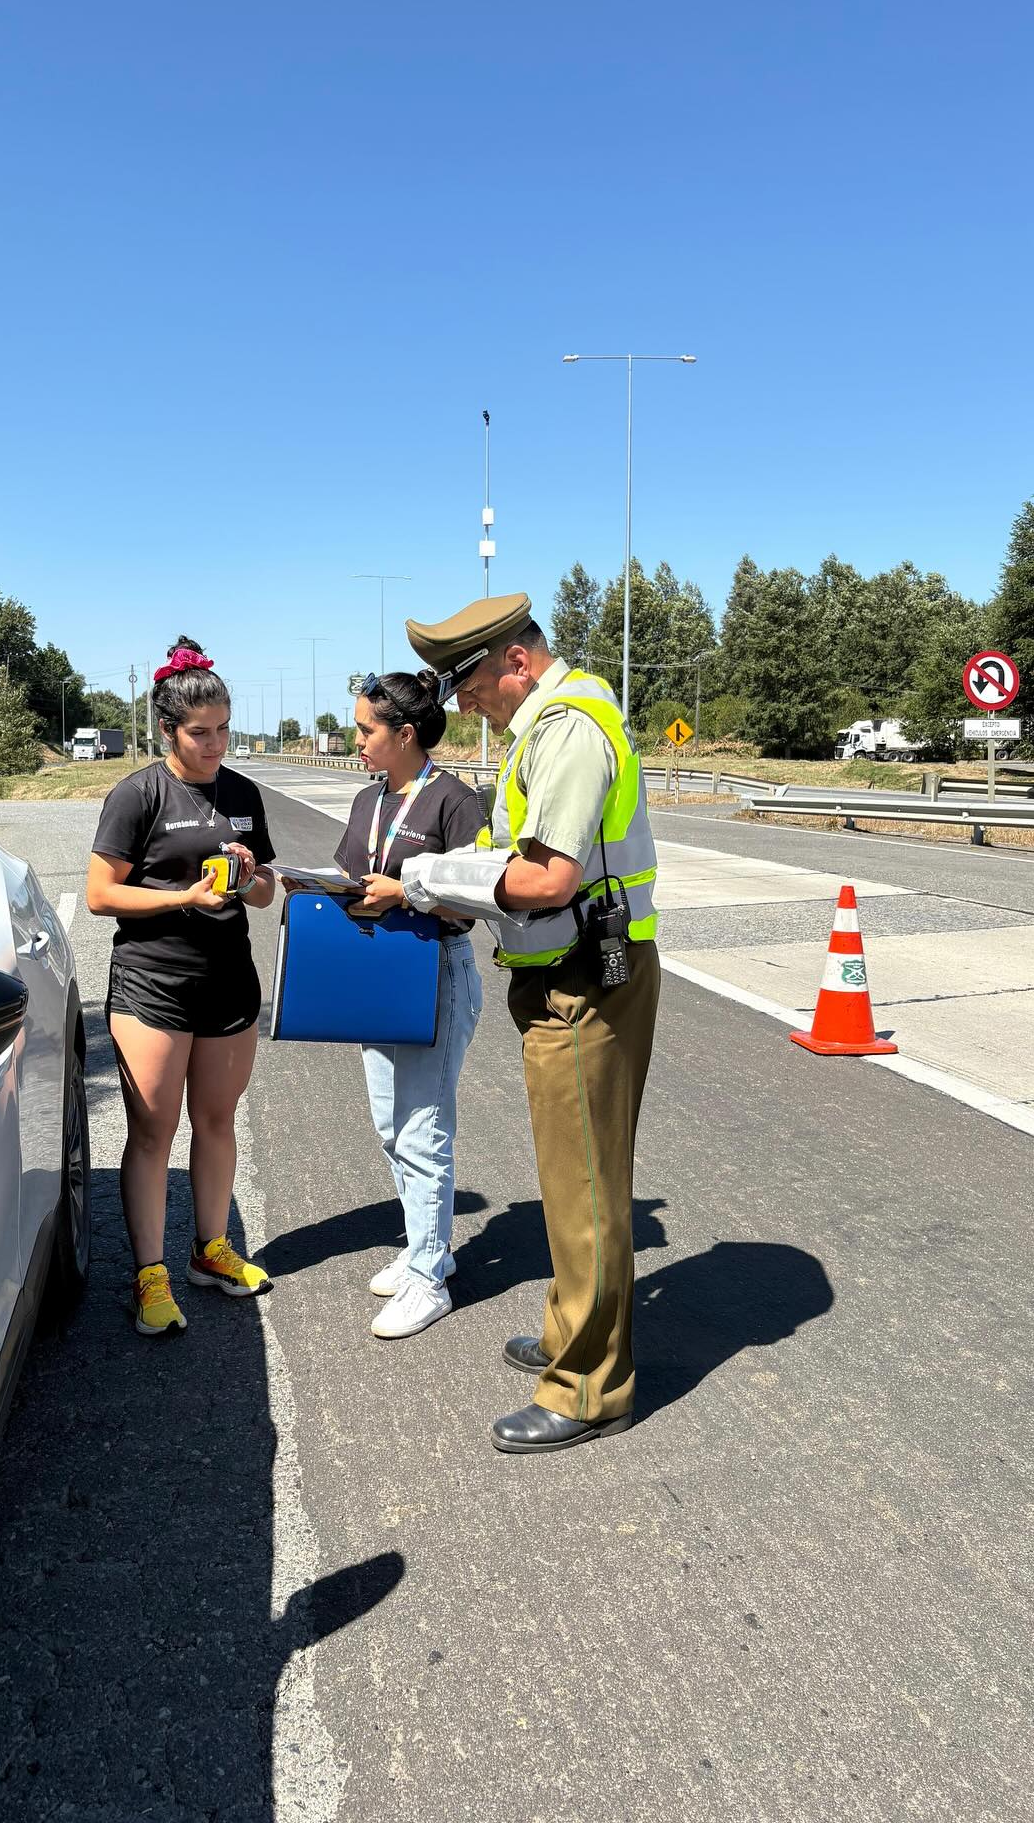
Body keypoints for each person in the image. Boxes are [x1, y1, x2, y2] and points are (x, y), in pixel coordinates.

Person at [389, 594, 661, 1454]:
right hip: (561, 971)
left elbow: (545, 879)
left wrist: (431, 880)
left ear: (514, 660)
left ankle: (587, 1385)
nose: (459, 703)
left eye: (466, 681)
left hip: (586, 978)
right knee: (570, 1176)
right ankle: (568, 1328)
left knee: (585, 1187)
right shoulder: (542, 728)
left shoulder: (568, 729)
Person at [85, 638, 278, 1337]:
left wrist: (252, 874)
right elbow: (100, 896)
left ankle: (211, 1250)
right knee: (153, 1131)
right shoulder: (138, 793)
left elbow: (264, 895)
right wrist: (182, 899)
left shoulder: (243, 793)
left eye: (225, 728)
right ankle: (149, 1275)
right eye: (201, 733)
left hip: (229, 984)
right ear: (169, 730)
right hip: (153, 985)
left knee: (218, 1123)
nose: (216, 744)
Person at [330, 672, 486, 1340]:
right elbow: (350, 877)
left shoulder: (456, 802)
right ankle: (430, 1246)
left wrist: (409, 894)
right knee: (392, 1127)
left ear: (406, 734)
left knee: (424, 1128)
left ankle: (429, 1279)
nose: (357, 740)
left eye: (367, 730)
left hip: (434, 974)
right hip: (378, 975)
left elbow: (480, 902)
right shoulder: (370, 801)